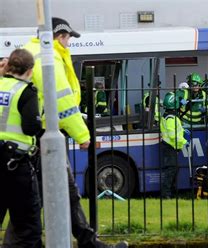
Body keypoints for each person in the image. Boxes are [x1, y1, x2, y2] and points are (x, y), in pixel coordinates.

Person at [23, 17, 128, 248]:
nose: (69, 42)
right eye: (68, 37)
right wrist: (82, 134)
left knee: (57, 194)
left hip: (37, 137)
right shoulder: (47, 57)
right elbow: (62, 100)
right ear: (59, 37)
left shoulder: (30, 51)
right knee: (41, 199)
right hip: (45, 136)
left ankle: (89, 242)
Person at [0, 49, 42, 248]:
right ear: (30, 70)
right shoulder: (26, 91)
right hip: (14, 165)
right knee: (27, 226)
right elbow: (31, 127)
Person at [159, 92, 187, 198]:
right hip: (170, 147)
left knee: (174, 170)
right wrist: (184, 141)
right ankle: (166, 195)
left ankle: (171, 193)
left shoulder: (168, 116)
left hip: (170, 147)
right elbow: (173, 135)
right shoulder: (171, 118)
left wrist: (183, 130)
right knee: (171, 171)